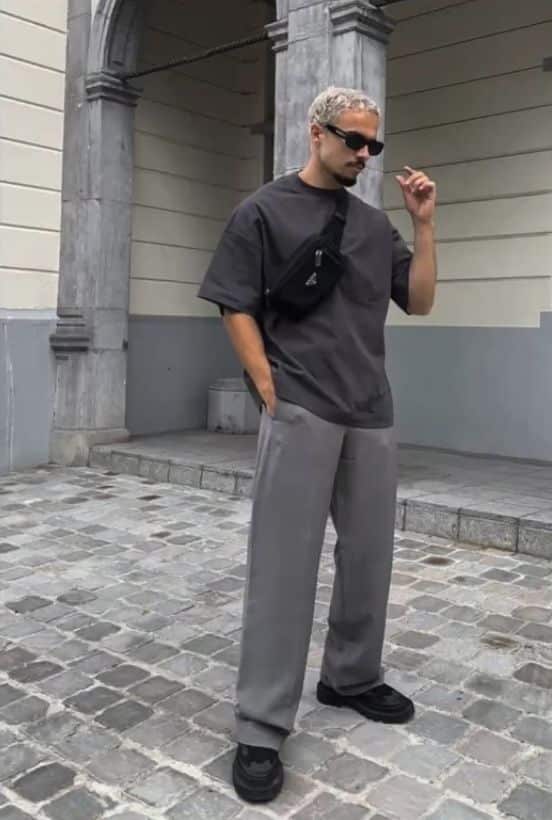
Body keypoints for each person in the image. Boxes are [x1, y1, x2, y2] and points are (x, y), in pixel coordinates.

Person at [198, 86, 437, 803]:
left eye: (373, 144)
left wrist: (424, 224)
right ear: (317, 132)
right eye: (352, 140)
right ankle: (261, 724)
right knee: (283, 565)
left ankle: (350, 677)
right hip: (301, 405)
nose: (364, 153)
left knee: (368, 557)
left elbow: (420, 300)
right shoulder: (263, 211)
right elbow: (234, 302)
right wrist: (266, 383)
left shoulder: (374, 225)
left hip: (370, 409)